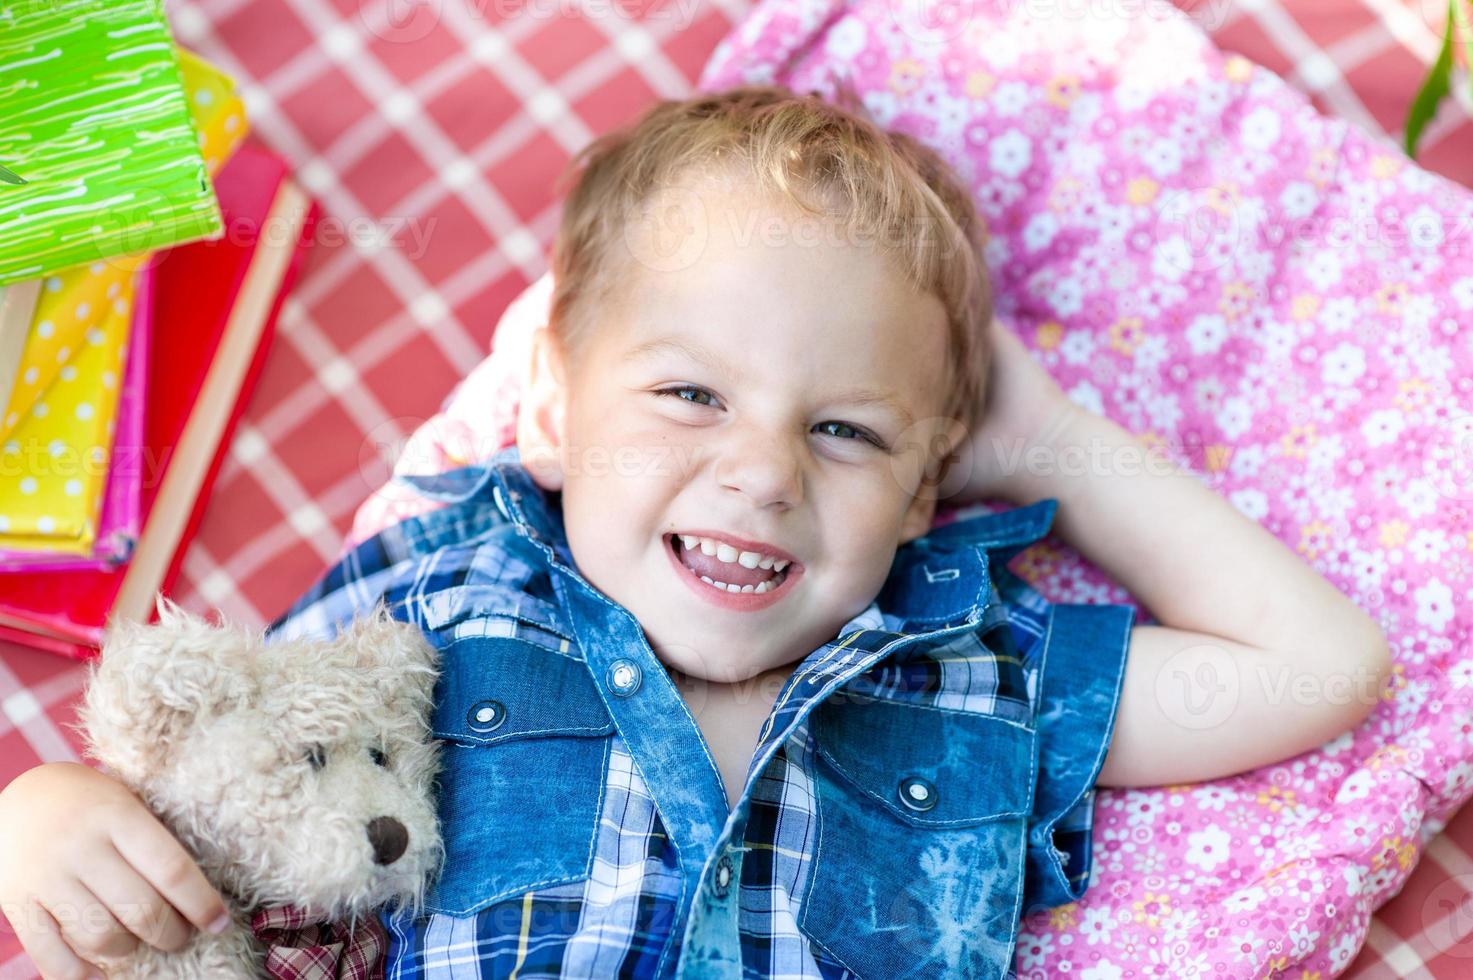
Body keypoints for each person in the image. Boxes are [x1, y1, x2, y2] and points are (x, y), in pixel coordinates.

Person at [0, 84, 1391, 980]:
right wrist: (55, 819)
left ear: (924, 490)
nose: (761, 473)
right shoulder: (435, 611)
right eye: (689, 396)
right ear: (545, 405)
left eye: (844, 429)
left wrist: (1053, 442)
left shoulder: (967, 675)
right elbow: (218, 813)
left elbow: (1316, 668)